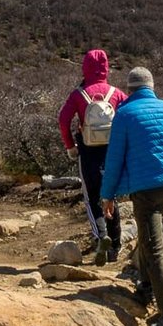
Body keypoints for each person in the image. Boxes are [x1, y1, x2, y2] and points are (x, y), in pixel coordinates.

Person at [98, 65, 163, 326]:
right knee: (147, 234)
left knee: (154, 247)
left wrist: (107, 196)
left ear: (129, 89)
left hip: (145, 189)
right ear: (152, 88)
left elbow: (114, 160)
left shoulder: (125, 115)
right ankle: (145, 285)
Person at [58, 48, 129, 262]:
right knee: (110, 196)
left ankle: (101, 236)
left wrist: (70, 146)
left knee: (91, 196)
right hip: (112, 150)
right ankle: (115, 247)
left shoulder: (79, 94)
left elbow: (63, 119)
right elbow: (128, 115)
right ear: (106, 67)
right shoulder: (115, 93)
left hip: (87, 149)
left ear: (85, 67)